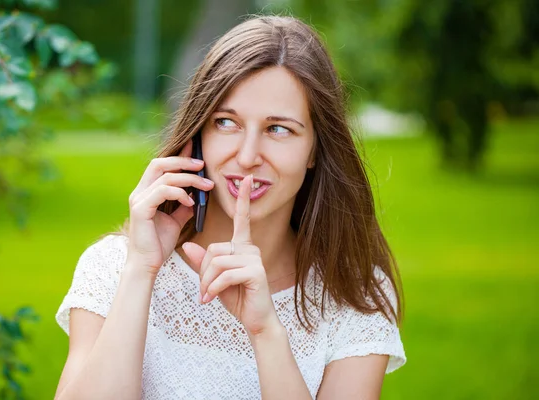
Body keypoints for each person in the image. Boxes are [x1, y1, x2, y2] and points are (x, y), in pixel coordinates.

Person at [54, 14, 407, 400]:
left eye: (278, 129)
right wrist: (141, 270)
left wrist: (266, 332)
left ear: (314, 151)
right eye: (226, 122)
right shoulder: (113, 267)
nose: (248, 155)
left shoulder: (354, 294)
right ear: (200, 132)